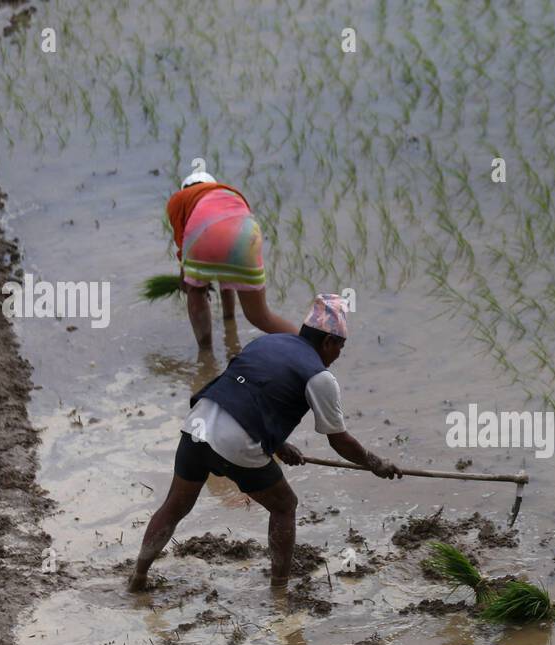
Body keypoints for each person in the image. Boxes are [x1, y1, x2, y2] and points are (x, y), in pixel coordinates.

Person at [128, 293, 401, 592]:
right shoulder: (320, 377)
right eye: (340, 348)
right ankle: (279, 589)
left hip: (199, 423)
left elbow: (247, 394)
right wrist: (376, 463)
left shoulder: (266, 342)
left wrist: (280, 446)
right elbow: (340, 441)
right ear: (328, 343)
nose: (338, 356)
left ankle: (139, 576)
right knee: (285, 506)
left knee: (174, 506)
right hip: (237, 442)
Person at [166, 167, 296, 349]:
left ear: (185, 188)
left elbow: (183, 243)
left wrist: (188, 280)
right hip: (247, 235)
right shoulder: (231, 194)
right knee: (261, 316)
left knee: (196, 291)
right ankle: (310, 347)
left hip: (206, 235)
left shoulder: (179, 199)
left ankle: (205, 353)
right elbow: (227, 273)